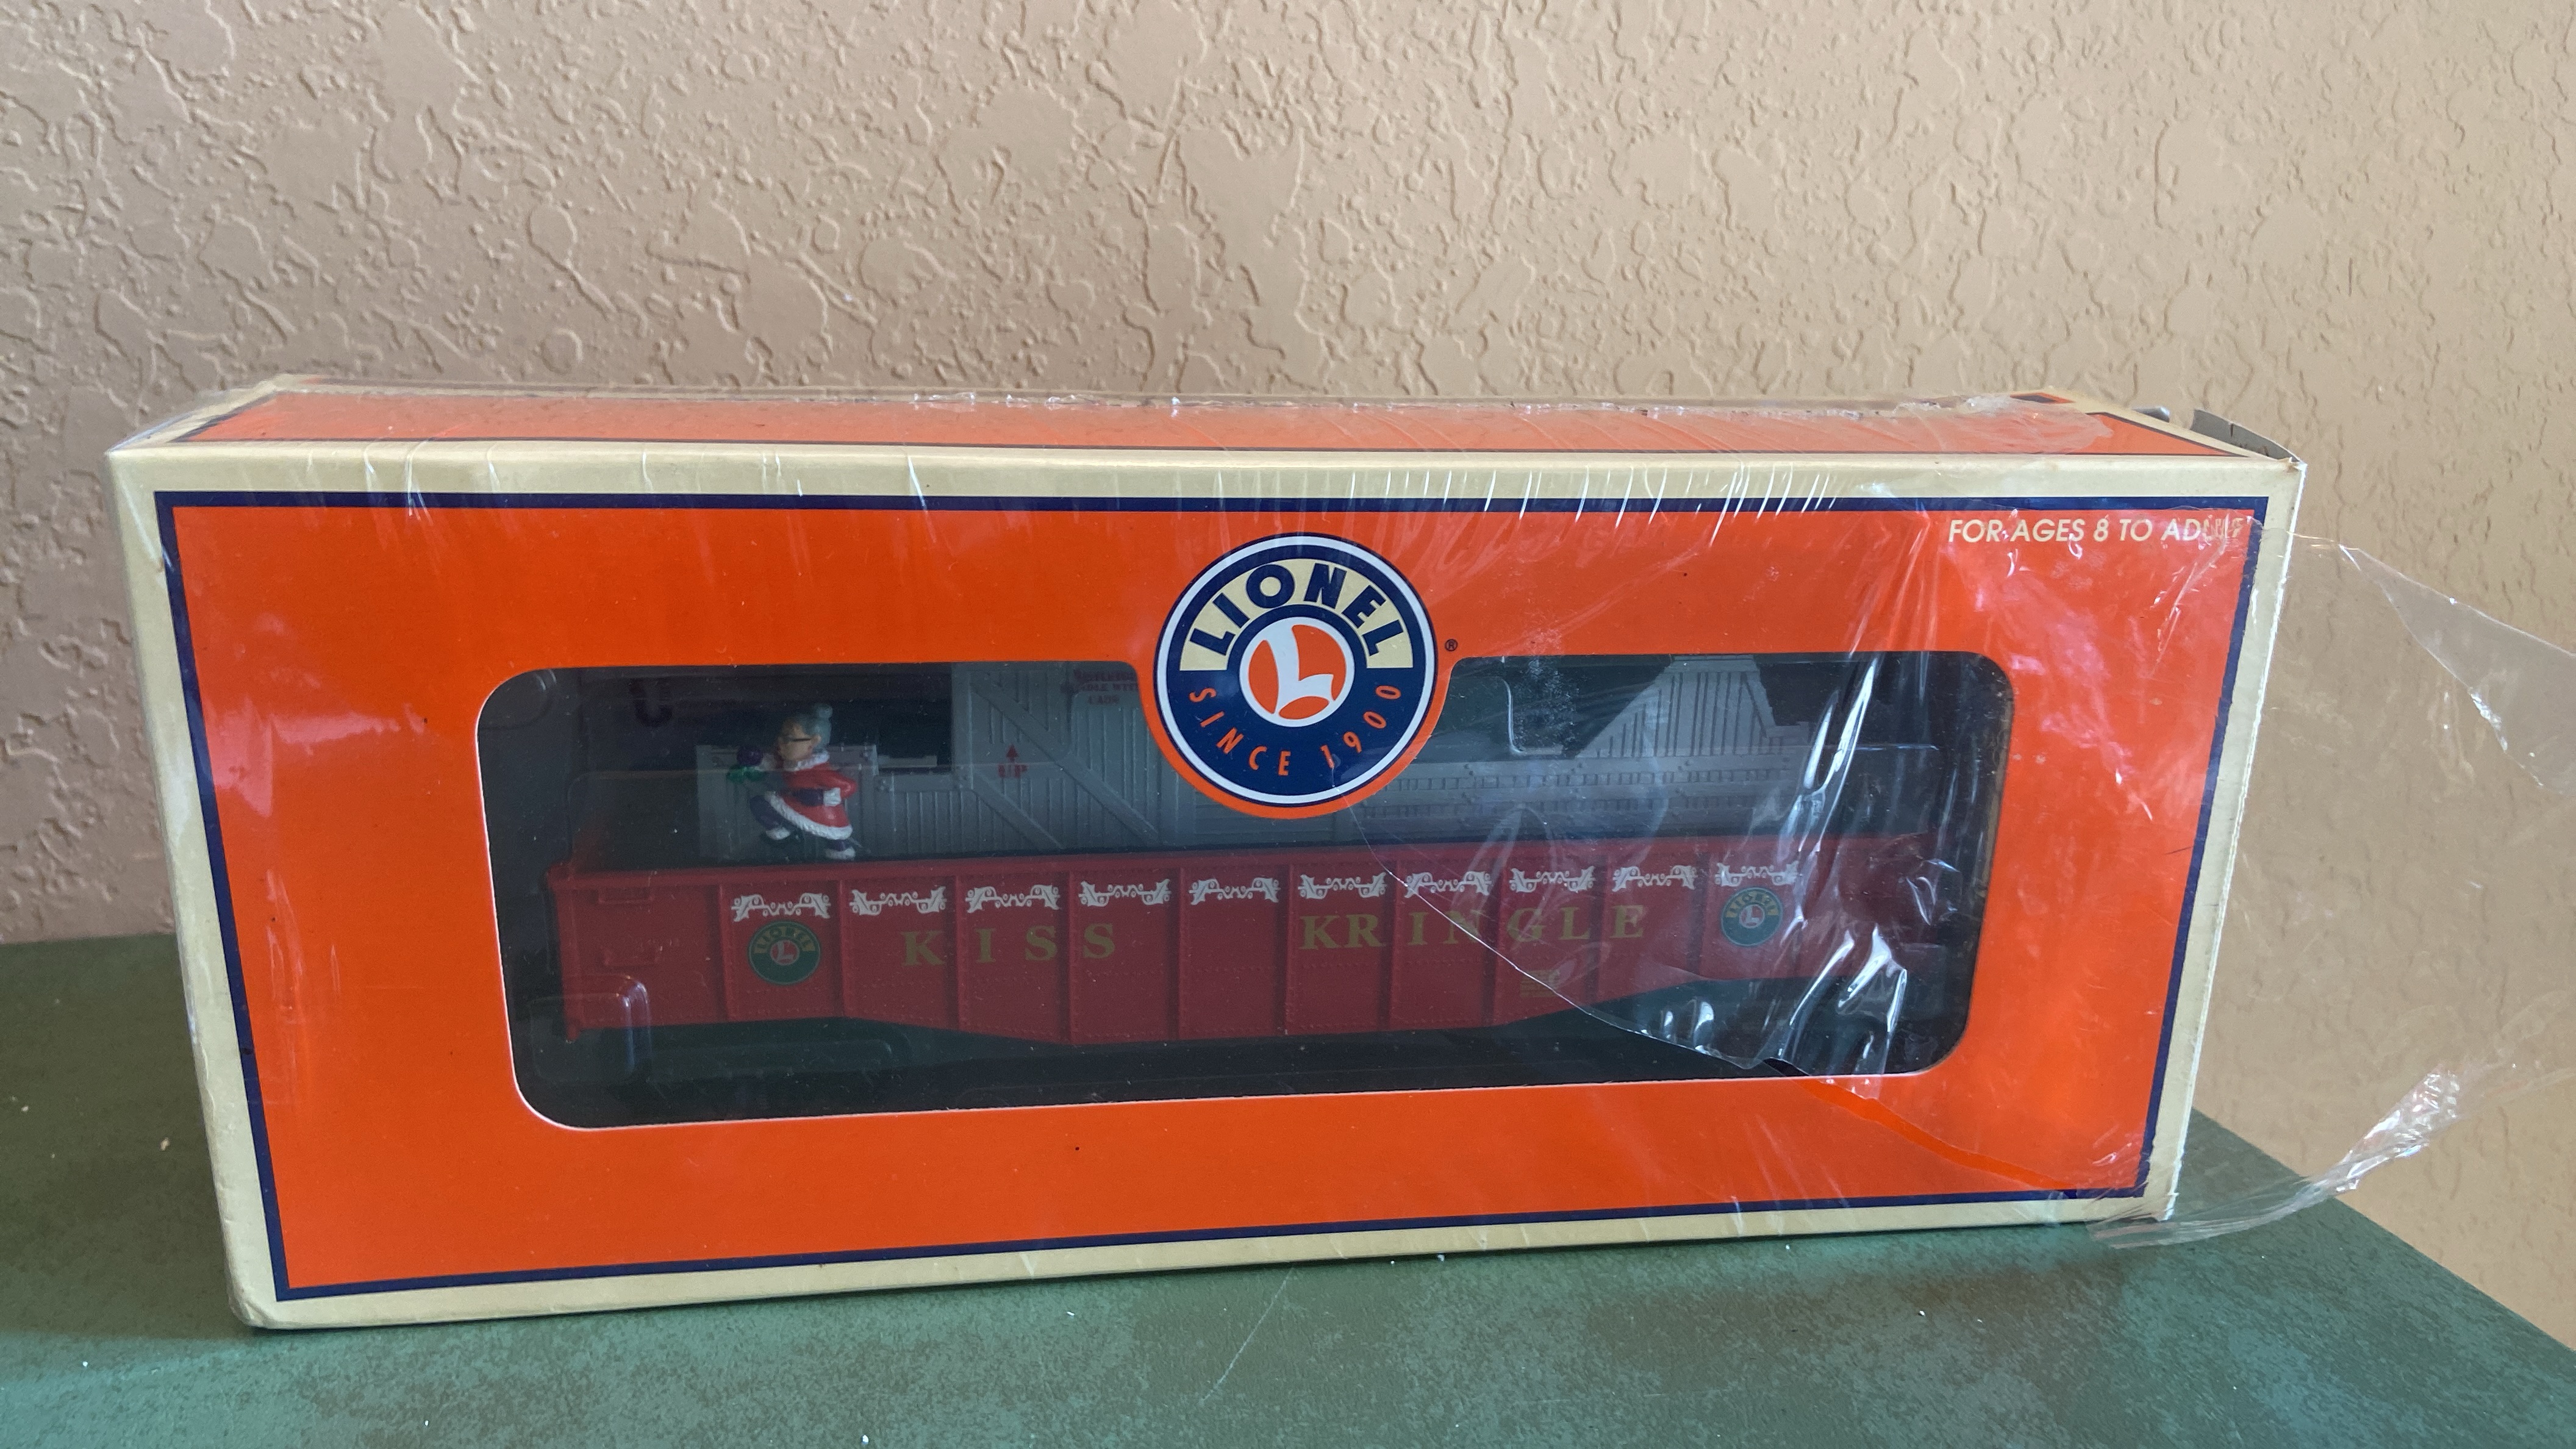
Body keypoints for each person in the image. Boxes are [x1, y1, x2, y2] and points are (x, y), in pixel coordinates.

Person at [728, 704, 860, 861]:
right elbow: (774, 763)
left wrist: (821, 797)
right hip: (795, 802)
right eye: (781, 737)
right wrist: (757, 759)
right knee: (760, 804)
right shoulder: (792, 762)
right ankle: (785, 832)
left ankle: (841, 855)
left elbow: (849, 786)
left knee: (833, 839)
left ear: (813, 742)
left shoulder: (819, 771)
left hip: (820, 812)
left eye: (788, 739)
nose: (780, 743)